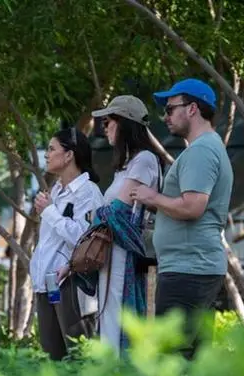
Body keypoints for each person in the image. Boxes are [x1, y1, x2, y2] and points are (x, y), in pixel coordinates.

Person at [131, 78, 234, 360]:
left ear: (192, 109)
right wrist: (159, 207)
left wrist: (151, 197)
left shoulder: (201, 151)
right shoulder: (202, 149)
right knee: (192, 360)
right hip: (192, 268)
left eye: (170, 108)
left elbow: (192, 207)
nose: (165, 116)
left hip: (189, 270)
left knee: (174, 359)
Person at [89, 95, 166, 353]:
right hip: (110, 255)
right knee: (109, 319)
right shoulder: (128, 165)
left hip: (124, 258)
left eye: (109, 121)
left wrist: (96, 215)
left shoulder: (144, 160)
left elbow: (117, 213)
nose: (105, 127)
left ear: (125, 124)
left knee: (119, 320)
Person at [30, 127, 104, 360]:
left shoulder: (88, 192)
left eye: (52, 149)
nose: (47, 154)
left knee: (80, 356)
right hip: (47, 284)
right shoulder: (57, 190)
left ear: (69, 155)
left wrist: (49, 212)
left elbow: (84, 238)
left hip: (72, 283)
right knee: (52, 357)